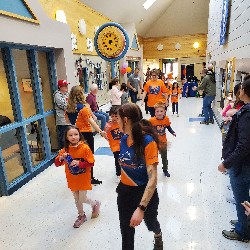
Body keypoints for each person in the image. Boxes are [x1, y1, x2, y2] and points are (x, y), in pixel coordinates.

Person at [116, 103, 163, 250]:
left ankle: (158, 234)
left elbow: (153, 178)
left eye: (117, 118)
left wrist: (141, 208)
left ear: (125, 120)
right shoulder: (124, 139)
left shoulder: (148, 142)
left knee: (150, 222)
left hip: (144, 192)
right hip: (125, 191)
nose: (114, 121)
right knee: (126, 230)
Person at [218, 77, 250, 242]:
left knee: (242, 198)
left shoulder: (246, 114)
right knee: (245, 199)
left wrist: (226, 163)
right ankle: (244, 222)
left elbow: (244, 145)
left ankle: (243, 231)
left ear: (244, 91)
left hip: (242, 165)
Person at [54, 125, 101, 228]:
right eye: (70, 135)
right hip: (72, 179)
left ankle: (95, 204)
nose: (73, 137)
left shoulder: (85, 148)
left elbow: (91, 163)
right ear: (66, 137)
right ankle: (81, 215)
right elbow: (57, 163)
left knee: (82, 198)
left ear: (79, 135)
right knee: (76, 198)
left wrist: (80, 163)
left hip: (83, 178)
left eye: (76, 134)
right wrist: (61, 158)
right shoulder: (65, 150)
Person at [67, 86, 107, 185]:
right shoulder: (83, 109)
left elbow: (68, 122)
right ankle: (90, 178)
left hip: (75, 134)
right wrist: (100, 131)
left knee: (78, 156)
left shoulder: (68, 109)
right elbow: (91, 122)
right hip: (86, 134)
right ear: (80, 95)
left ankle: (79, 176)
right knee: (88, 157)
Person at [149, 102, 176, 177]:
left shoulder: (166, 119)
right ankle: (152, 170)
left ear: (164, 112)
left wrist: (172, 132)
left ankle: (165, 169)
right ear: (155, 112)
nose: (159, 113)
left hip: (163, 142)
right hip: (154, 142)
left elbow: (168, 127)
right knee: (153, 157)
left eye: (161, 111)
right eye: (157, 111)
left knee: (164, 157)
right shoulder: (151, 121)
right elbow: (148, 129)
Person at [104, 107, 123, 183]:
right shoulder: (108, 125)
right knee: (117, 160)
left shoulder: (122, 123)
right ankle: (119, 175)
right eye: (112, 116)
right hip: (115, 147)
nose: (114, 118)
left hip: (124, 145)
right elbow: (105, 135)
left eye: (116, 116)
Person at [54, 79, 71, 149]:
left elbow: (73, 102)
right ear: (60, 87)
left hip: (68, 119)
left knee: (69, 138)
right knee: (63, 138)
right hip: (62, 121)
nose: (66, 87)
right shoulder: (57, 95)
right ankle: (63, 155)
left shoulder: (67, 94)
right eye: (65, 86)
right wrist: (72, 106)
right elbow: (65, 106)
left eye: (67, 85)